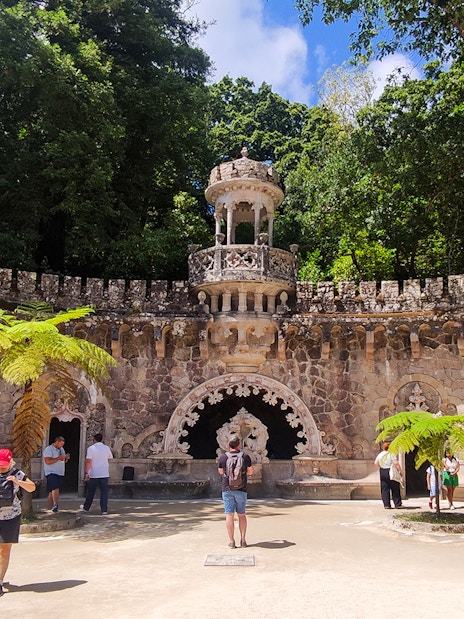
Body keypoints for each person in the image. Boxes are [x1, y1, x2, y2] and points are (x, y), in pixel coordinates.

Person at [0, 448, 36, 596]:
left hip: (10, 516)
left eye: (4, 464)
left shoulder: (17, 473)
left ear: (10, 462)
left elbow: (32, 487)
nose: (2, 467)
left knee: (4, 549)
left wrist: (18, 481)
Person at [217, 436, 253, 548]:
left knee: (229, 515)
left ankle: (232, 541)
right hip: (241, 489)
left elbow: (220, 472)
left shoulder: (223, 458)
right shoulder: (245, 456)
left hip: (227, 489)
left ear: (228, 445)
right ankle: (243, 540)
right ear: (239, 445)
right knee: (241, 515)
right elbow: (250, 472)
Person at [80, 433, 113, 515]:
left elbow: (88, 461)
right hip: (104, 473)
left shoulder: (91, 449)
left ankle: (86, 507)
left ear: (94, 439)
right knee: (104, 492)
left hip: (94, 473)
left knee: (91, 491)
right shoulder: (106, 448)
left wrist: (87, 472)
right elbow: (109, 458)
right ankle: (104, 509)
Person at [43, 436, 70, 512]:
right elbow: (47, 461)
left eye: (63, 444)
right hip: (51, 472)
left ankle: (49, 507)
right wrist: (59, 458)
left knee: (52, 490)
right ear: (56, 442)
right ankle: (56, 505)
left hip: (60, 472)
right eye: (60, 444)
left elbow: (62, 460)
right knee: (55, 487)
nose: (62, 446)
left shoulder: (61, 449)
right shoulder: (49, 449)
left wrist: (65, 458)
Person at [374, 441, 403, 509]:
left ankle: (386, 504)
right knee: (395, 487)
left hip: (382, 471)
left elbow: (376, 462)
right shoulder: (391, 454)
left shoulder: (380, 454)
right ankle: (397, 503)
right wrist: (400, 471)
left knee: (384, 488)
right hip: (390, 471)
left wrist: (381, 466)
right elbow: (396, 463)